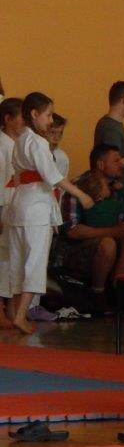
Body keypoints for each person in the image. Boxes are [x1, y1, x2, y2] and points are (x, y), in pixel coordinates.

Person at [7, 93, 94, 333]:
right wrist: (81, 194)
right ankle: (20, 316)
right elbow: (53, 177)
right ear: (34, 114)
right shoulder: (37, 142)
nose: (50, 120)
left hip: (19, 206)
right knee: (34, 263)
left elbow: (21, 176)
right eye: (48, 115)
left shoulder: (20, 140)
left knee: (18, 262)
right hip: (35, 210)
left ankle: (14, 312)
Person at [57, 144, 124, 305]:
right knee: (107, 244)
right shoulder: (77, 188)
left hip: (114, 246)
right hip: (75, 250)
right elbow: (72, 231)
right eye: (116, 161)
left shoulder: (119, 191)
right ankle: (97, 294)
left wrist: (122, 265)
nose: (121, 164)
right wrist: (111, 231)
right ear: (100, 164)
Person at [0, 97, 25, 329]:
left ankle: (10, 307)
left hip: (13, 207)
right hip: (4, 207)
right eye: (21, 118)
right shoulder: (3, 146)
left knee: (11, 259)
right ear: (8, 119)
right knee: (3, 259)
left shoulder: (16, 145)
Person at [47, 113, 70, 182]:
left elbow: (60, 184)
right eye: (52, 132)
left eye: (60, 133)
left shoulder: (62, 158)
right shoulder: (35, 152)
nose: (57, 138)